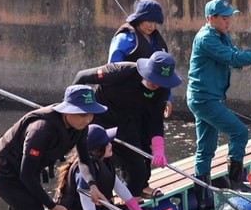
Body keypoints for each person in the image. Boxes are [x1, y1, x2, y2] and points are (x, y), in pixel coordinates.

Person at [186, 0, 251, 210]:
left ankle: (203, 201)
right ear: (211, 18)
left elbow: (238, 60)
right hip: (203, 99)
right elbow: (235, 59)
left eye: (230, 17)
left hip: (207, 98)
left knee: (206, 148)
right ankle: (235, 184)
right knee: (239, 132)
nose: (228, 21)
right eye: (224, 18)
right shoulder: (206, 39)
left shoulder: (222, 35)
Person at [71, 51, 182, 200]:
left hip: (125, 122)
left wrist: (158, 148)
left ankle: (132, 207)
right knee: (98, 163)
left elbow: (155, 120)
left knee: (138, 169)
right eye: (153, 78)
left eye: (161, 81)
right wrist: (72, 110)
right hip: (98, 119)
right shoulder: (120, 71)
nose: (156, 84)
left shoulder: (162, 88)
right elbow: (81, 76)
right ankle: (97, 202)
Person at [51, 124, 147, 210]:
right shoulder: (82, 174)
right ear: (95, 150)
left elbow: (120, 189)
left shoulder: (105, 161)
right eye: (106, 144)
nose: (111, 145)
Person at [108, 0, 174, 119]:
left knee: (153, 132)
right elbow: (113, 69)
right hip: (128, 97)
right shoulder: (124, 39)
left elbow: (165, 72)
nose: (153, 26)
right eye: (149, 21)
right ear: (139, 19)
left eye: (156, 23)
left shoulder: (157, 40)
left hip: (152, 98)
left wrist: (167, 98)